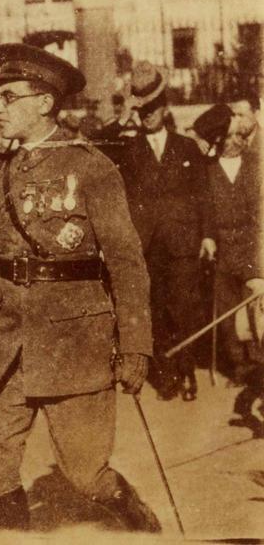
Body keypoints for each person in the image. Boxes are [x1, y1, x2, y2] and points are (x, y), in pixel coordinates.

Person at [0, 42, 160, 533]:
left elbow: (128, 264)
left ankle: (135, 519)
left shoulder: (91, 167)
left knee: (86, 475)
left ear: (45, 102)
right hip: (5, 340)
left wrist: (135, 346)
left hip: (73, 340)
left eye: (9, 97)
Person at [113, 63, 213, 401]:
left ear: (165, 107)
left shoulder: (187, 148)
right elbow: (96, 142)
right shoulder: (128, 151)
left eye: (153, 108)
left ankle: (187, 374)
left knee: (183, 310)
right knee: (155, 312)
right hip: (148, 247)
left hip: (183, 244)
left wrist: (208, 235)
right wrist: (123, 116)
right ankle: (166, 376)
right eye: (142, 110)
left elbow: (204, 195)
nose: (148, 116)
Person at [198, 101, 263, 388]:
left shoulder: (254, 165)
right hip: (223, 247)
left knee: (254, 309)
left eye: (240, 136)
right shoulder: (209, 169)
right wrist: (208, 237)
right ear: (220, 141)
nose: (236, 142)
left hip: (251, 243)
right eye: (230, 137)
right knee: (226, 309)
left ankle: (258, 364)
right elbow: (206, 210)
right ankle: (240, 366)